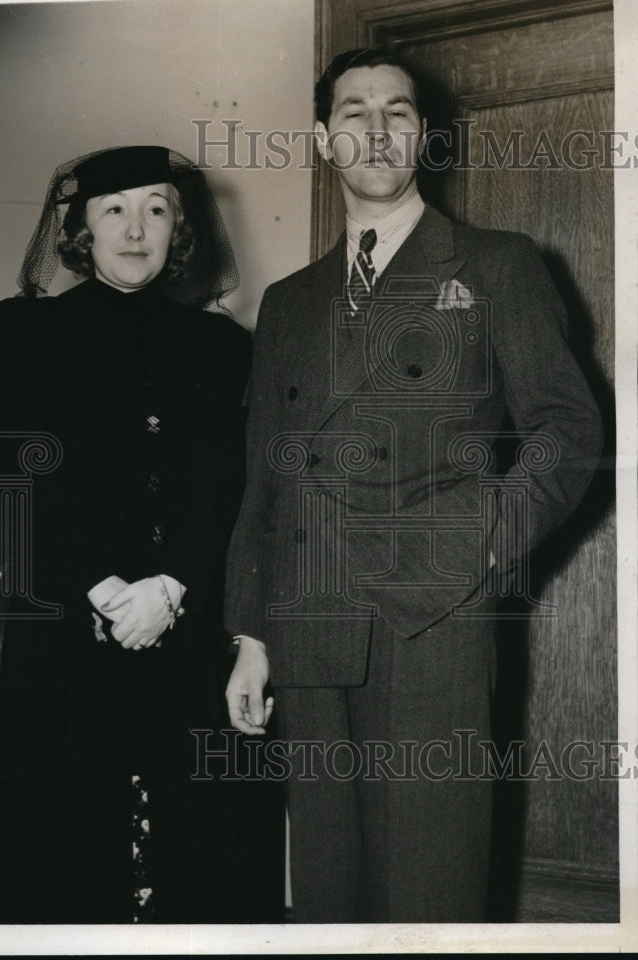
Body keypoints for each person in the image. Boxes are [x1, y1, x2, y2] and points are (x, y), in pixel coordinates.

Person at [224, 49, 603, 922]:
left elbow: (570, 432)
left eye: (397, 111)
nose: (376, 128)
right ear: (324, 138)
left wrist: (474, 539)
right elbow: (263, 476)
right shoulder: (289, 300)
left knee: (430, 879)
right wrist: (250, 633)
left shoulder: (497, 263)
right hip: (308, 616)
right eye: (354, 111)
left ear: (422, 136)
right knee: (327, 885)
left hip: (434, 612)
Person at [0, 145, 283, 923]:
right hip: (65, 628)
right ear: (80, 228)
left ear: (179, 226)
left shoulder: (221, 345)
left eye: (155, 207)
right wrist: (111, 593)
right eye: (114, 208)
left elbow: (226, 487)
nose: (136, 228)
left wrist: (171, 587)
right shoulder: (17, 329)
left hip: (187, 632)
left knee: (194, 857)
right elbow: (17, 481)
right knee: (64, 851)